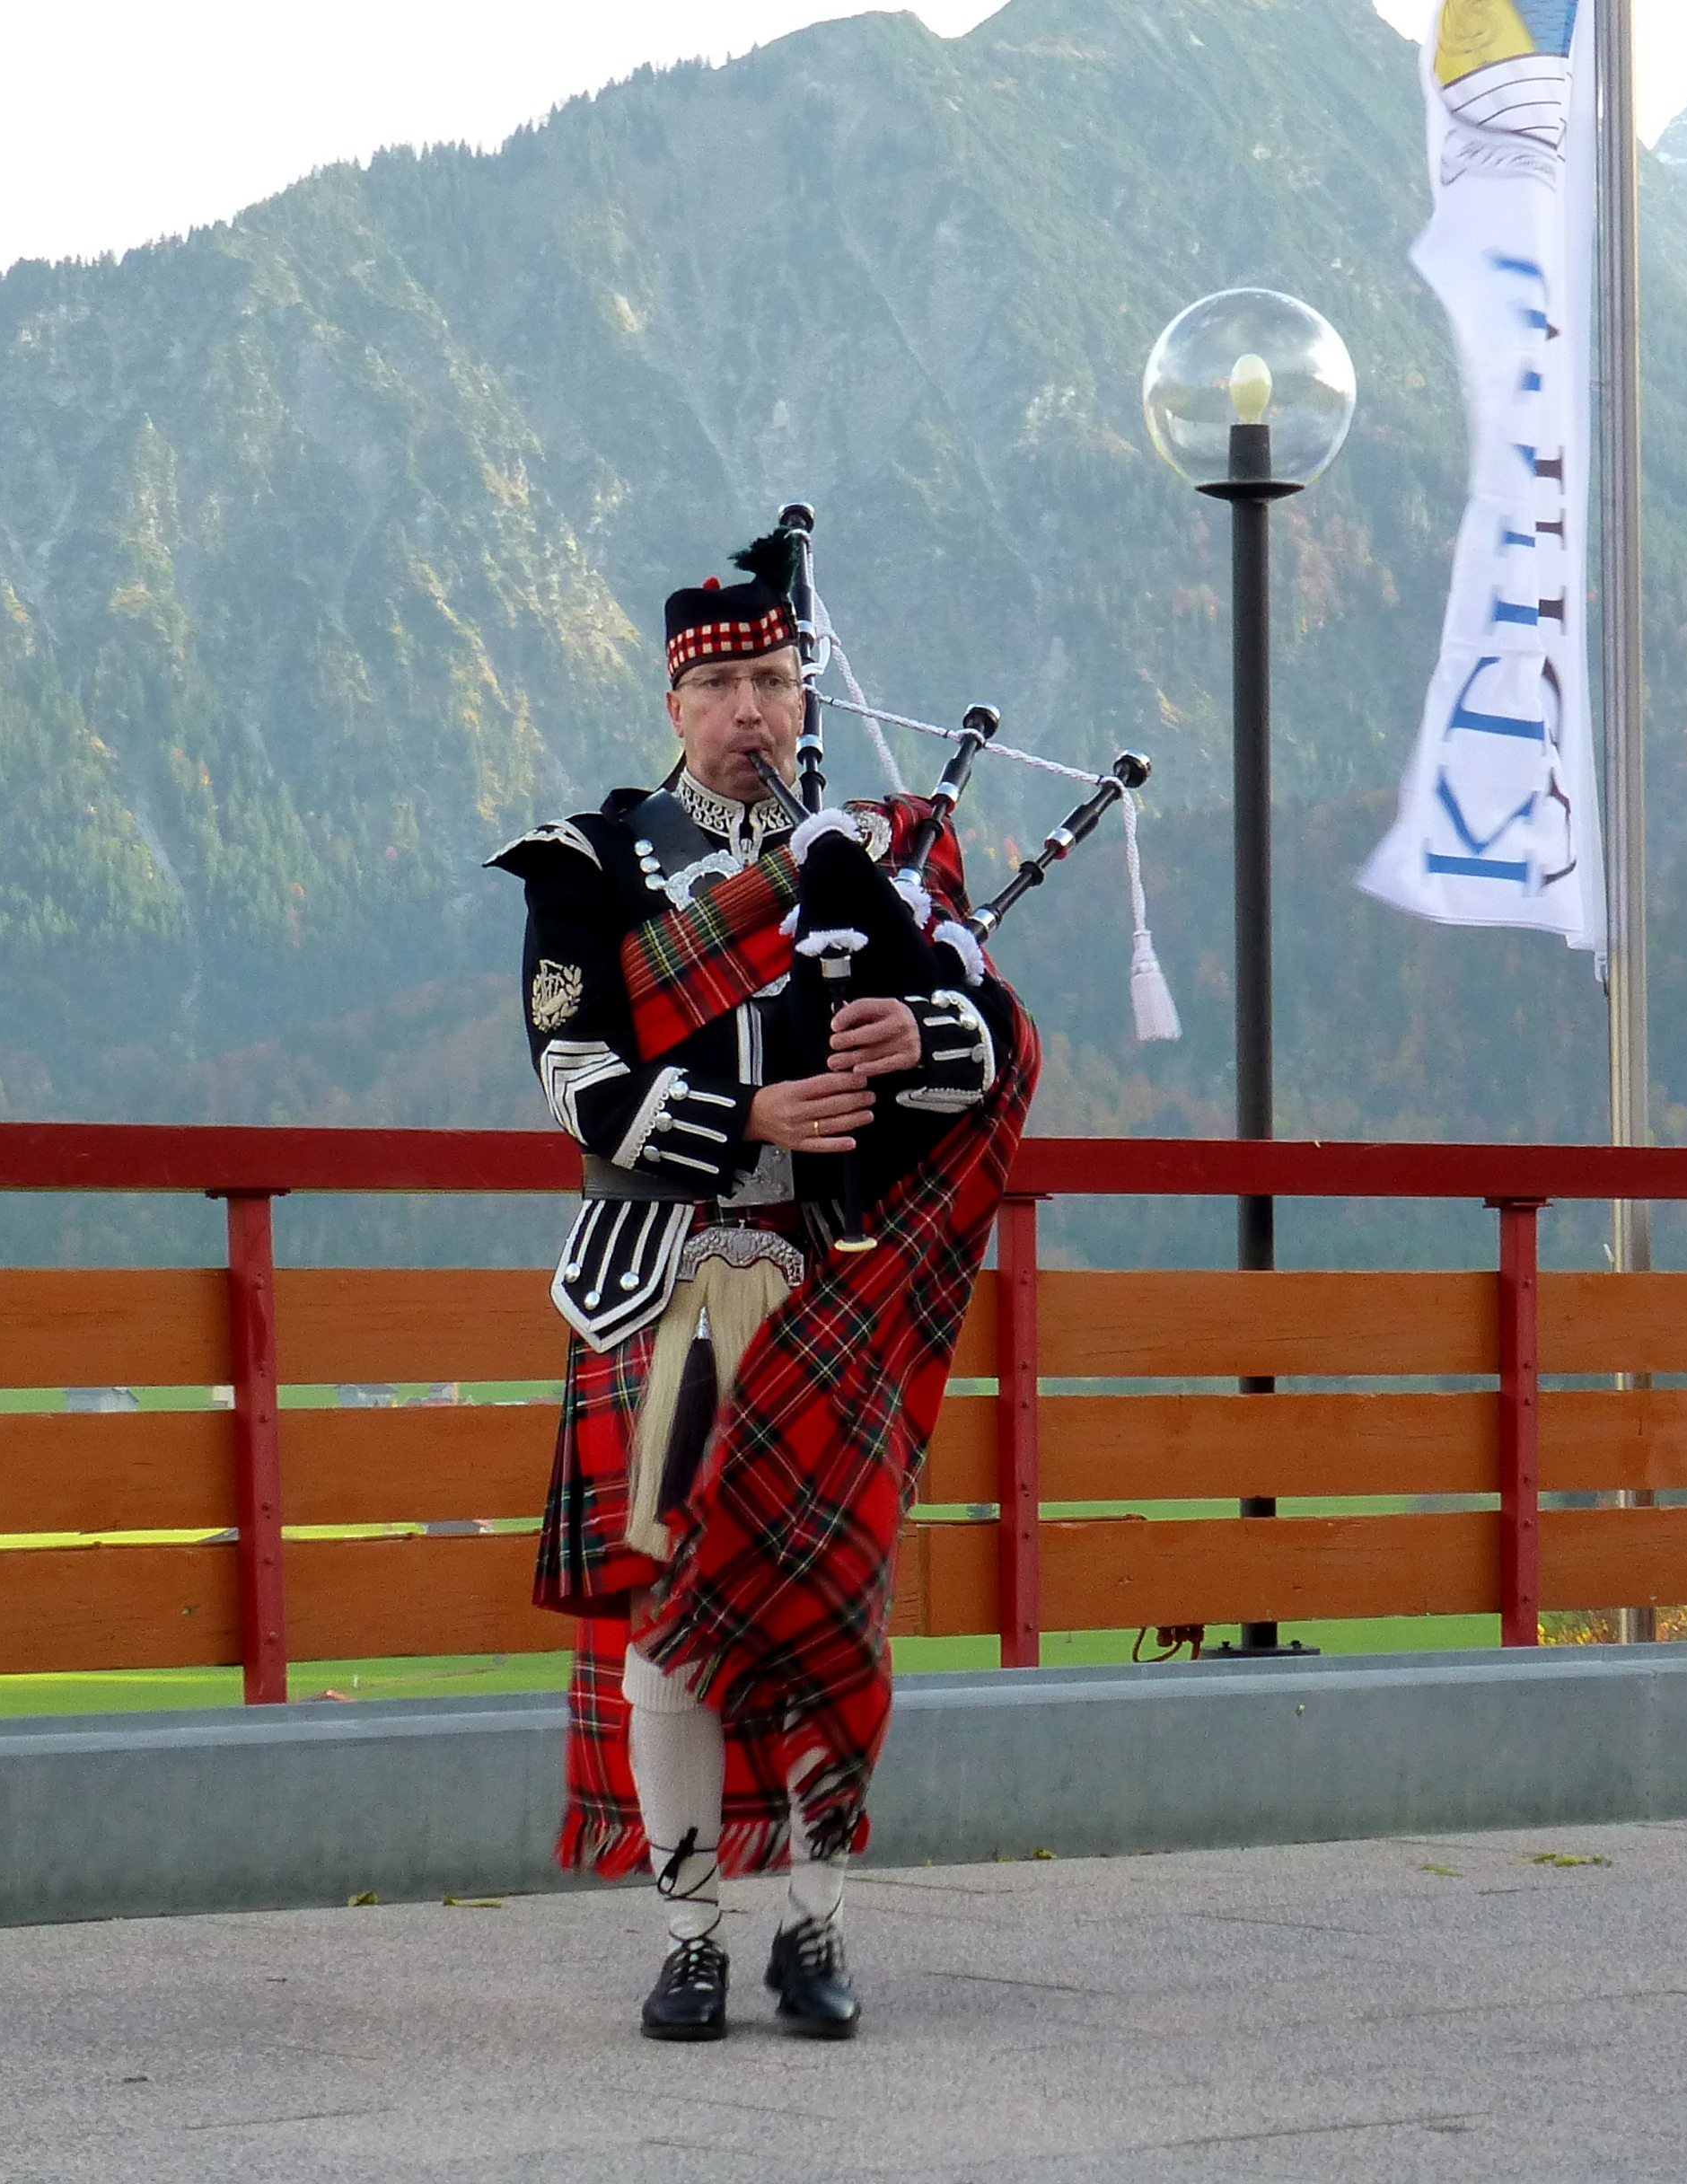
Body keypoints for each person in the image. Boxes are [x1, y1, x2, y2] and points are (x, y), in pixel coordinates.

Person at [489, 533, 1032, 2042]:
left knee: (829, 1611)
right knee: (674, 1619)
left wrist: (921, 1049)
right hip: (665, 1284)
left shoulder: (892, 854)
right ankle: (689, 1936)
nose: (750, 706)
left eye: (775, 678)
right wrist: (754, 1108)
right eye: (720, 680)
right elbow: (578, 1082)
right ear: (674, 700)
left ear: (808, 692)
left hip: (829, 1284)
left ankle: (814, 1929)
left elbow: (986, 1034)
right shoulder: (589, 867)